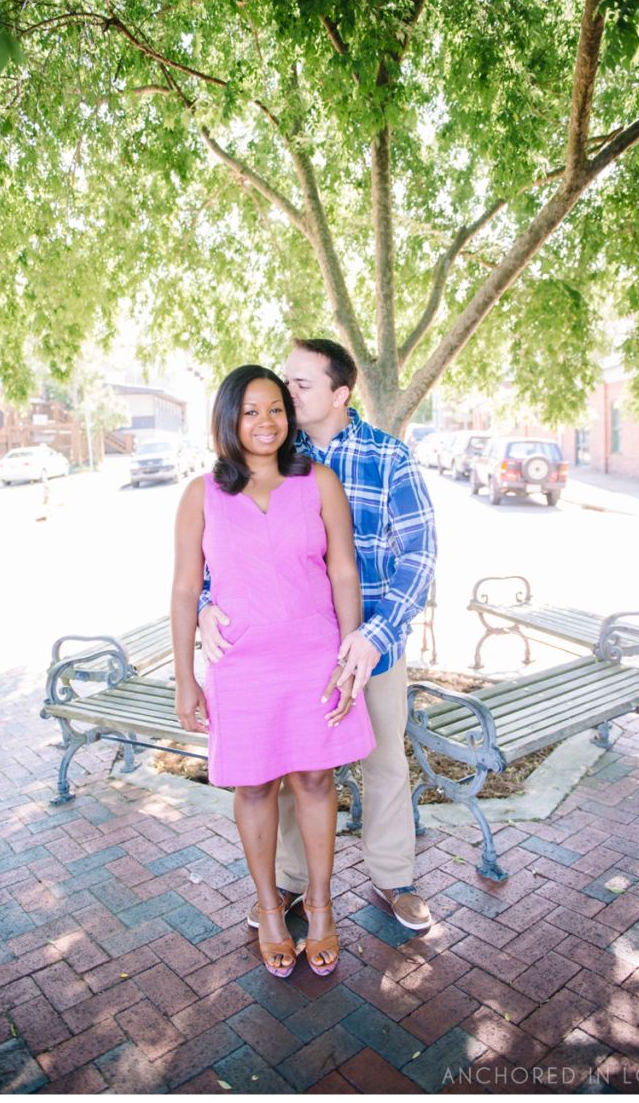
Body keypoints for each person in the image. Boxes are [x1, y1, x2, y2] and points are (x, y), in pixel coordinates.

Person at [199, 340, 438, 932]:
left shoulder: (390, 457)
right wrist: (206, 605)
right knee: (285, 769)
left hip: (373, 648)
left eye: (300, 385)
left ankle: (393, 879)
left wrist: (374, 635)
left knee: (384, 763)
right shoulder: (277, 455)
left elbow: (420, 556)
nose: (286, 396)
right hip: (292, 654)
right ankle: (291, 884)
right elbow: (226, 551)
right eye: (286, 384)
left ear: (339, 393)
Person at [172, 364, 375, 979]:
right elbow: (185, 589)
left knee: (316, 782)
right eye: (251, 411)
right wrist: (185, 677)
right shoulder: (200, 493)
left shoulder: (318, 480)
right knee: (254, 787)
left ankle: (319, 907)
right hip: (241, 669)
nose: (266, 423)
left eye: (277, 410)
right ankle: (267, 908)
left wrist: (349, 657)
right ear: (228, 419)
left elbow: (344, 572)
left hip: (314, 658)